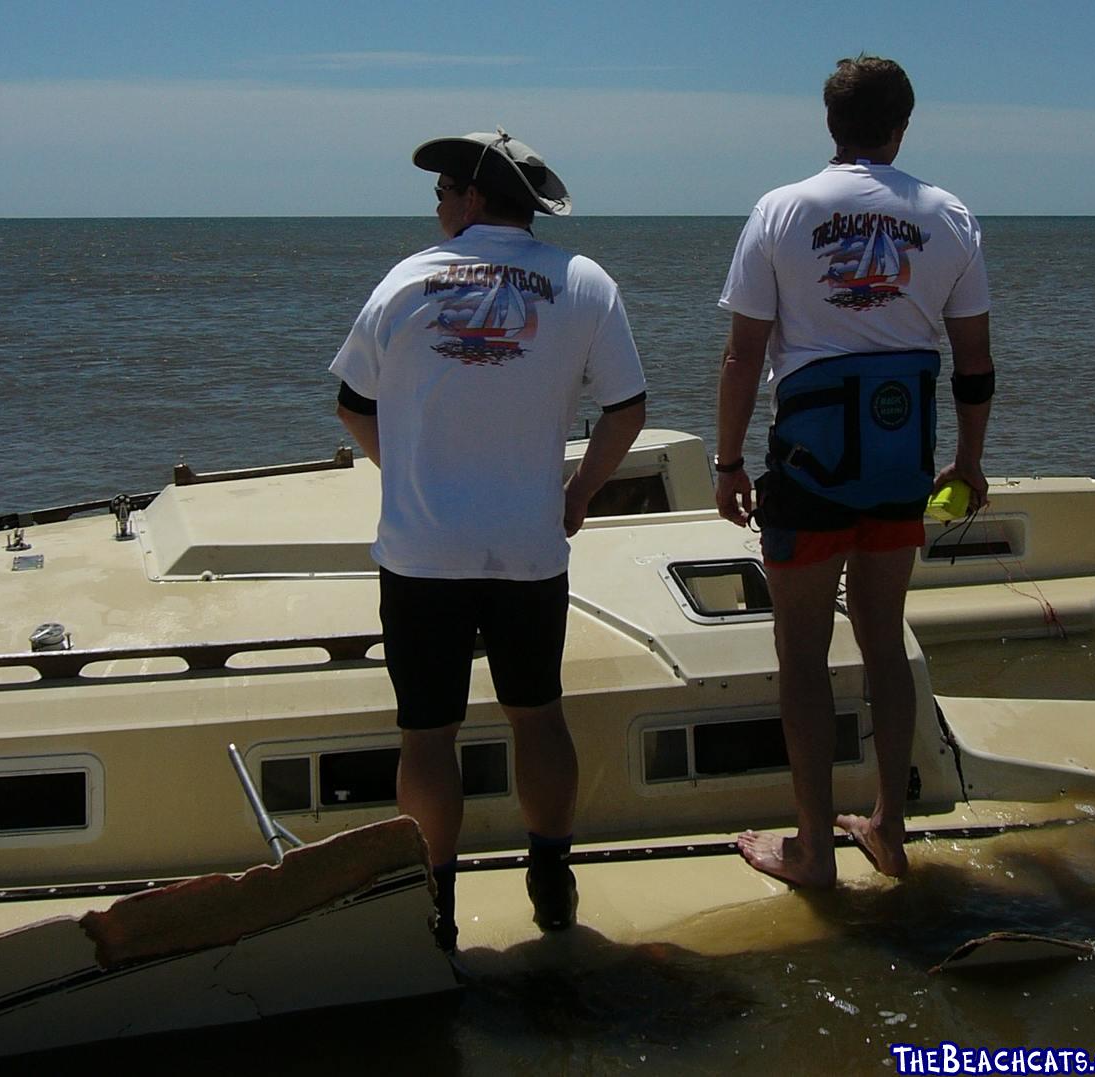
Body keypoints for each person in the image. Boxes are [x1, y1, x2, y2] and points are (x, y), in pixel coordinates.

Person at [331, 128, 647, 951]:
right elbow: (629, 408)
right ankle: (551, 874)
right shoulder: (584, 281)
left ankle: (437, 900)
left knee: (427, 732)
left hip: (422, 550)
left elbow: (352, 402)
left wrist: (403, 470)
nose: (435, 206)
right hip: (528, 547)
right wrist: (577, 494)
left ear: (473, 198)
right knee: (537, 715)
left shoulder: (405, 279)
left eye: (442, 192)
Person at [714, 56, 994, 886]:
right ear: (902, 124)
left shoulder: (781, 209)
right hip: (899, 464)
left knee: (801, 651)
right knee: (883, 637)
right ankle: (890, 829)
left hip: (806, 467)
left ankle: (811, 849)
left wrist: (726, 460)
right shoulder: (949, 216)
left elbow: (743, 353)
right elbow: (973, 364)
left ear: (829, 124)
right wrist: (970, 460)